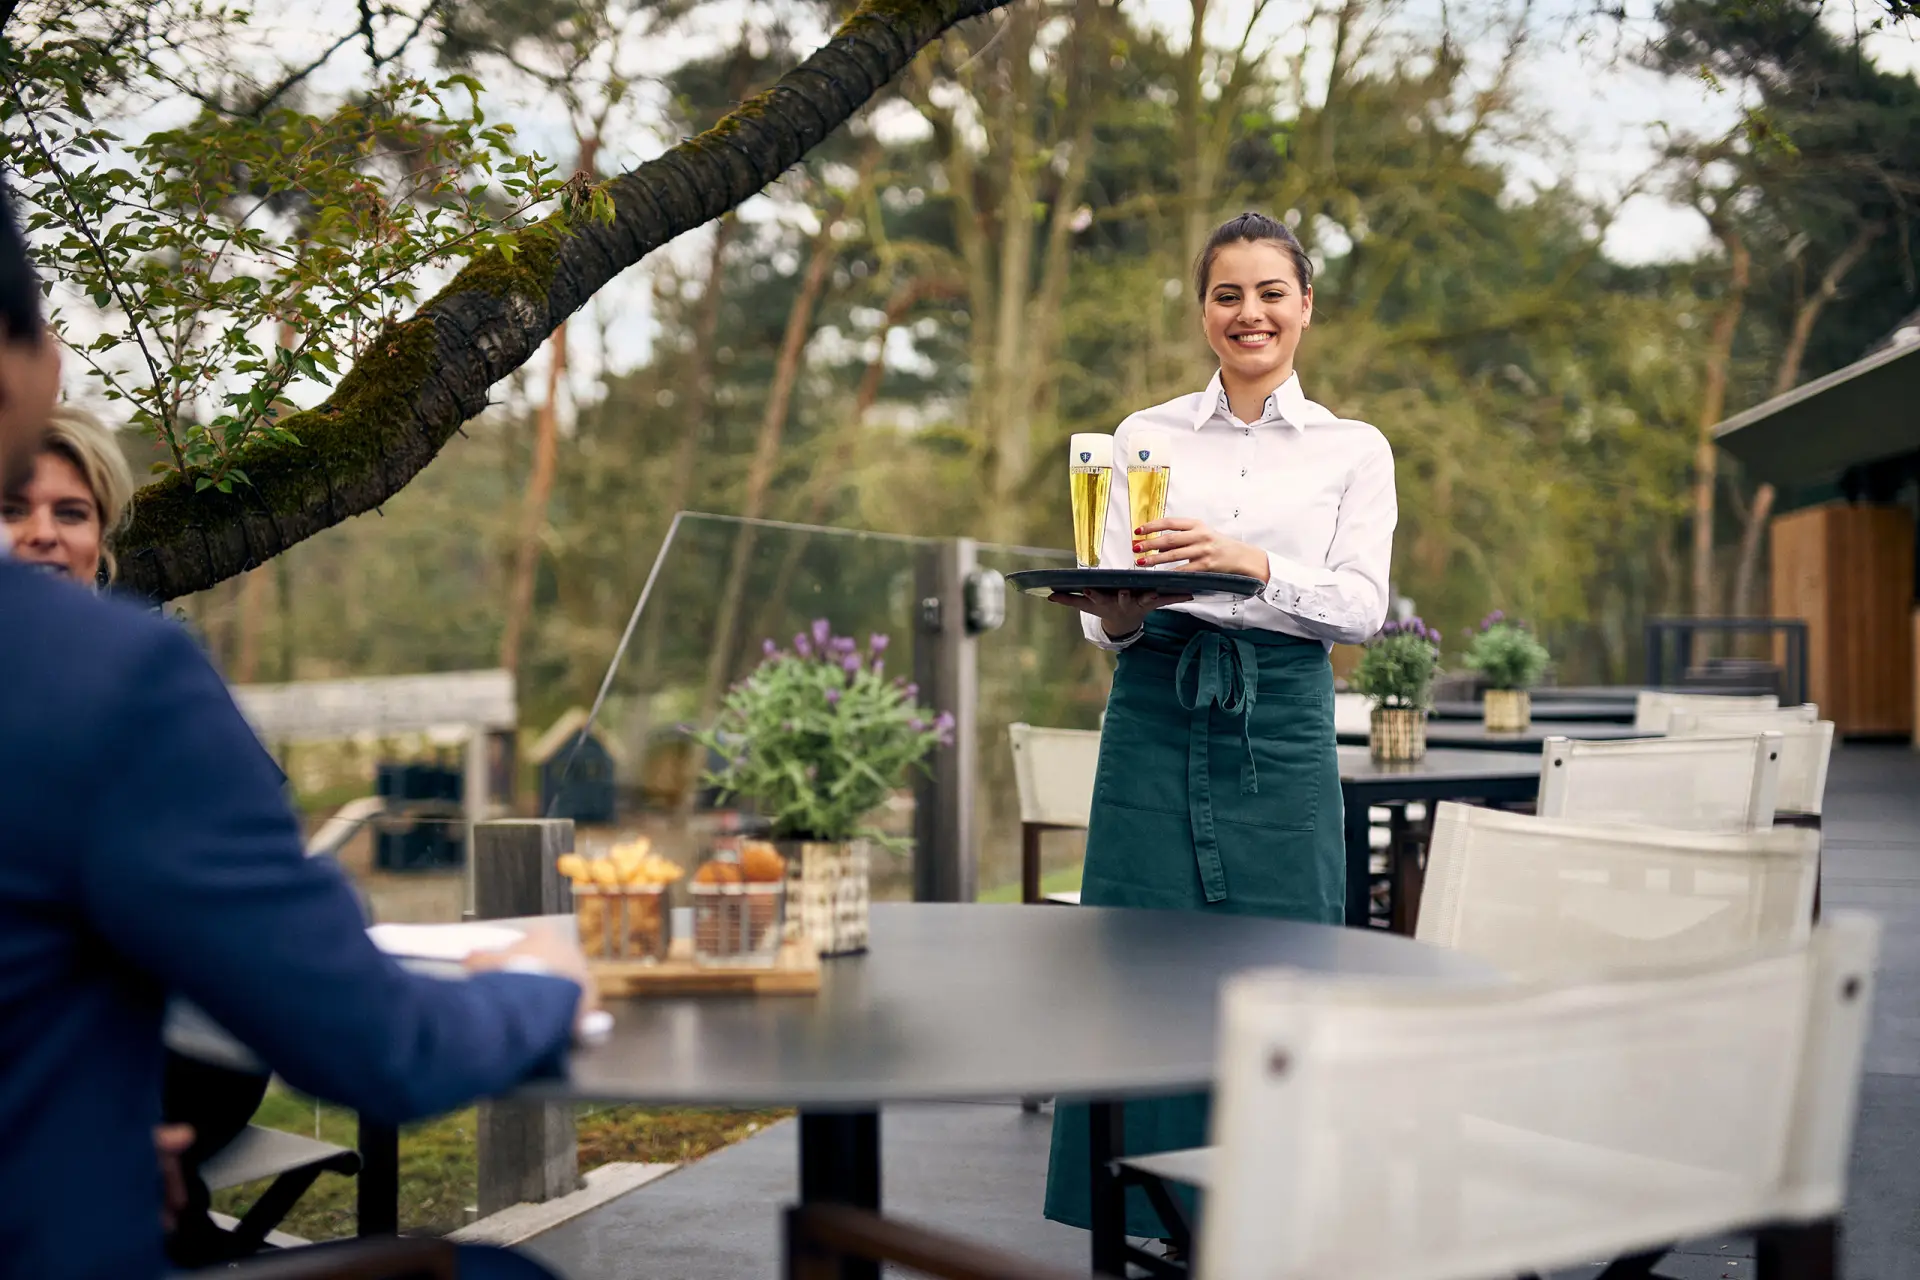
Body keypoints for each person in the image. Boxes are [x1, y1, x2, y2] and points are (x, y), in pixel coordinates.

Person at [0, 175, 588, 1279]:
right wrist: (554, 983)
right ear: (30, 362)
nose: (42, 535)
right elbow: (377, 1047)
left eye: (70, 513)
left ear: (103, 531)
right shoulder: (101, 677)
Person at [1042, 211, 1397, 1247]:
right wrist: (1112, 613)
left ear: (1305, 306)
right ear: (1203, 310)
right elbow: (1117, 609)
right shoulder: (1141, 435)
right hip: (1153, 703)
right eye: (1228, 294)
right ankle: (1142, 1213)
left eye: (1270, 292)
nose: (1250, 313)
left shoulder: (1353, 448)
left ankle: (1284, 1211)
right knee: (1136, 957)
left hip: (1281, 716)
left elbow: (1364, 609)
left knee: (1285, 956)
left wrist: (1252, 562)